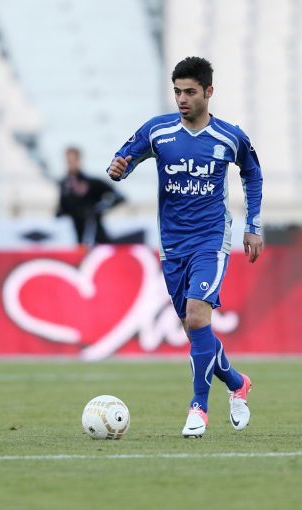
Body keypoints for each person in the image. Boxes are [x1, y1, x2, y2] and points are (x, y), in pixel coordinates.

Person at [107, 56, 263, 438]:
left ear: (208, 92)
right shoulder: (158, 131)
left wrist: (253, 226)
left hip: (211, 239)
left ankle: (199, 408)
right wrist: (118, 168)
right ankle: (237, 382)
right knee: (195, 329)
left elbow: (252, 172)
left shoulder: (229, 137)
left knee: (196, 316)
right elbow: (125, 157)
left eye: (190, 92)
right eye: (177, 91)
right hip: (173, 244)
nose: (182, 99)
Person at [56, 147, 124, 245]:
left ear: (79, 160)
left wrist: (101, 207)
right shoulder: (63, 183)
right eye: (68, 161)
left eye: (73, 160)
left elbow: (119, 196)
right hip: (76, 235)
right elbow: (63, 207)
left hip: (95, 235)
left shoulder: (92, 182)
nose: (70, 163)